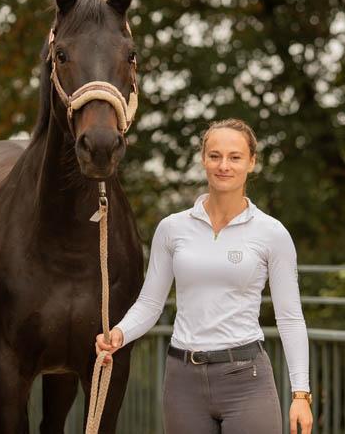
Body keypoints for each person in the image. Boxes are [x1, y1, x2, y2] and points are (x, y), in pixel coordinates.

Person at [95, 118, 313, 434]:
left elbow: (290, 318)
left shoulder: (272, 233)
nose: (224, 165)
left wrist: (301, 394)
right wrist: (120, 334)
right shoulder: (172, 228)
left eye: (235, 157)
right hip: (182, 381)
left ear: (251, 162)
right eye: (215, 156)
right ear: (203, 159)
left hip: (246, 380)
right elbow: (150, 304)